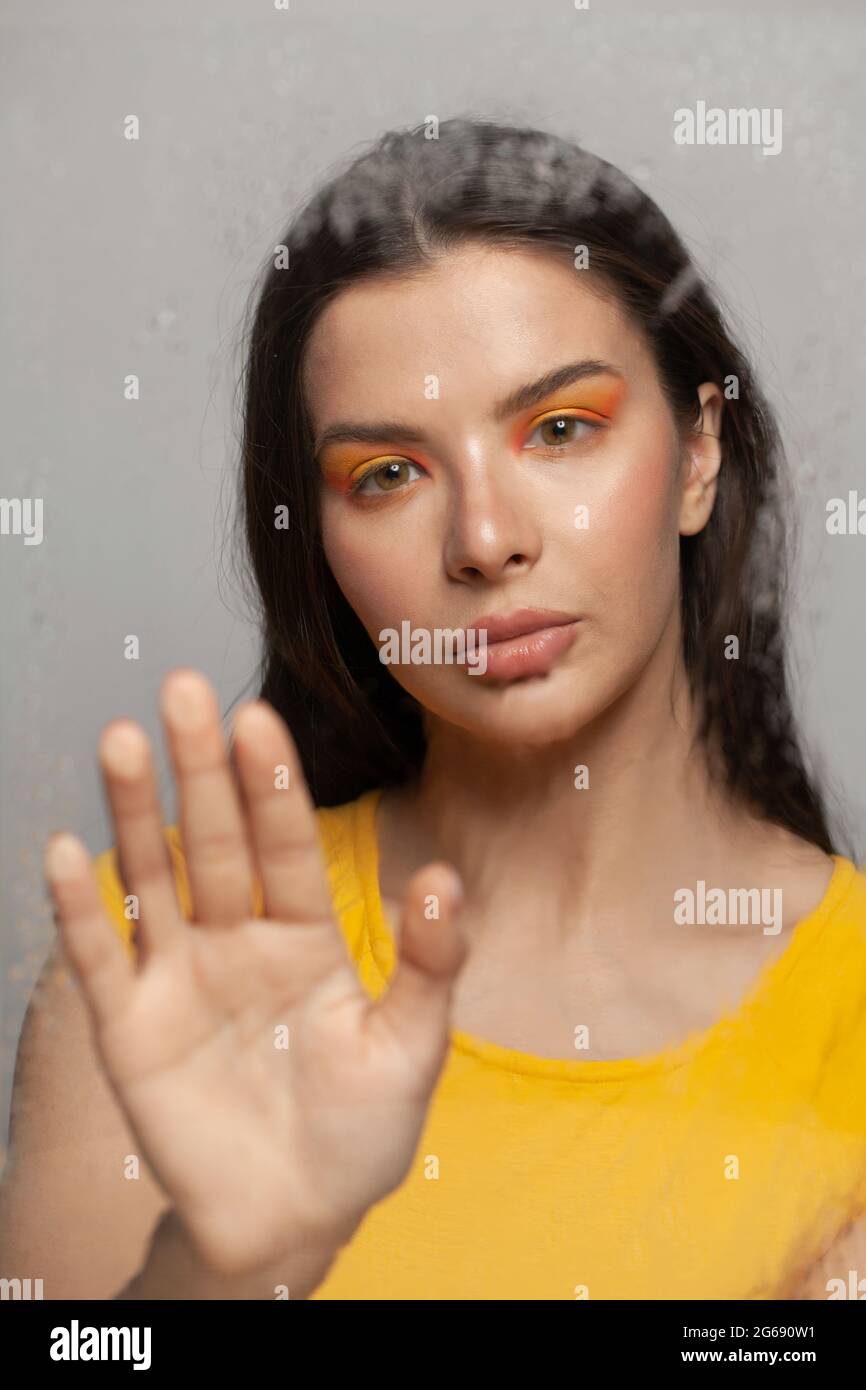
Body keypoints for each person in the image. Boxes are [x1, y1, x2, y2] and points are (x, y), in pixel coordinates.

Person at [4, 118, 866, 1300]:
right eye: (387, 475)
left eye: (560, 429)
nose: (483, 540)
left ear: (698, 450)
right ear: (319, 538)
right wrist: (220, 1267)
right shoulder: (160, 962)